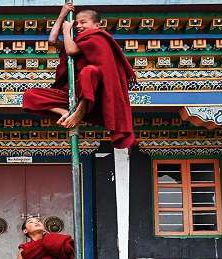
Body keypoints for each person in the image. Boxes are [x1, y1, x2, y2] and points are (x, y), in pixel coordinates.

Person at [22, 2, 138, 149]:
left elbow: (71, 50)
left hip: (95, 91)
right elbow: (52, 40)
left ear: (98, 25)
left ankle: (80, 111)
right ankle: (67, 112)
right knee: (30, 95)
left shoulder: (98, 37)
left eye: (83, 22)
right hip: (75, 91)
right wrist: (62, 15)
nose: (78, 26)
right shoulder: (77, 40)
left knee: (88, 72)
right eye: (76, 23)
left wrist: (66, 31)